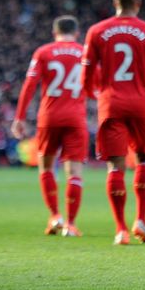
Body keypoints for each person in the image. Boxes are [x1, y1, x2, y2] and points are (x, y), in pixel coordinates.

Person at [81, 0, 145, 245]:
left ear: (115, 2)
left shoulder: (97, 31)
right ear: (138, 3)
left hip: (111, 103)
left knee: (115, 166)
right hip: (141, 103)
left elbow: (86, 70)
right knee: (144, 160)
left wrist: (92, 92)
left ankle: (120, 229)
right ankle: (141, 220)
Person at [12, 16, 87, 237]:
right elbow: (96, 84)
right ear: (76, 32)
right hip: (76, 118)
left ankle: (55, 216)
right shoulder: (84, 53)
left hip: (49, 117)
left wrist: (19, 117)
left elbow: (29, 85)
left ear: (55, 33)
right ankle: (70, 224)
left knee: (46, 168)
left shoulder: (43, 52)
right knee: (74, 172)